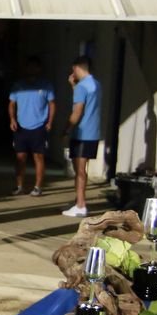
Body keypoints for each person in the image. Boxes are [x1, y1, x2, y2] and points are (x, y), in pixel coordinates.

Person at [8, 58, 54, 197]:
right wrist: (12, 119)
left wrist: (50, 121)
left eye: (35, 67)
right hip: (21, 127)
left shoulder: (46, 86)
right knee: (20, 157)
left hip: (39, 126)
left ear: (39, 69)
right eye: (29, 67)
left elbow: (52, 104)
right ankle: (19, 186)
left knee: (38, 157)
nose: (32, 70)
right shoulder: (18, 85)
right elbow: (11, 103)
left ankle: (38, 186)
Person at [62, 56, 101, 219]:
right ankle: (79, 200)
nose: (73, 73)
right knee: (82, 169)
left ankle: (80, 205)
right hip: (93, 132)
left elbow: (78, 110)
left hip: (82, 133)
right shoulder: (96, 85)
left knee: (79, 171)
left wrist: (66, 129)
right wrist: (73, 86)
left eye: (73, 70)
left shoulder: (82, 87)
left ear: (77, 68)